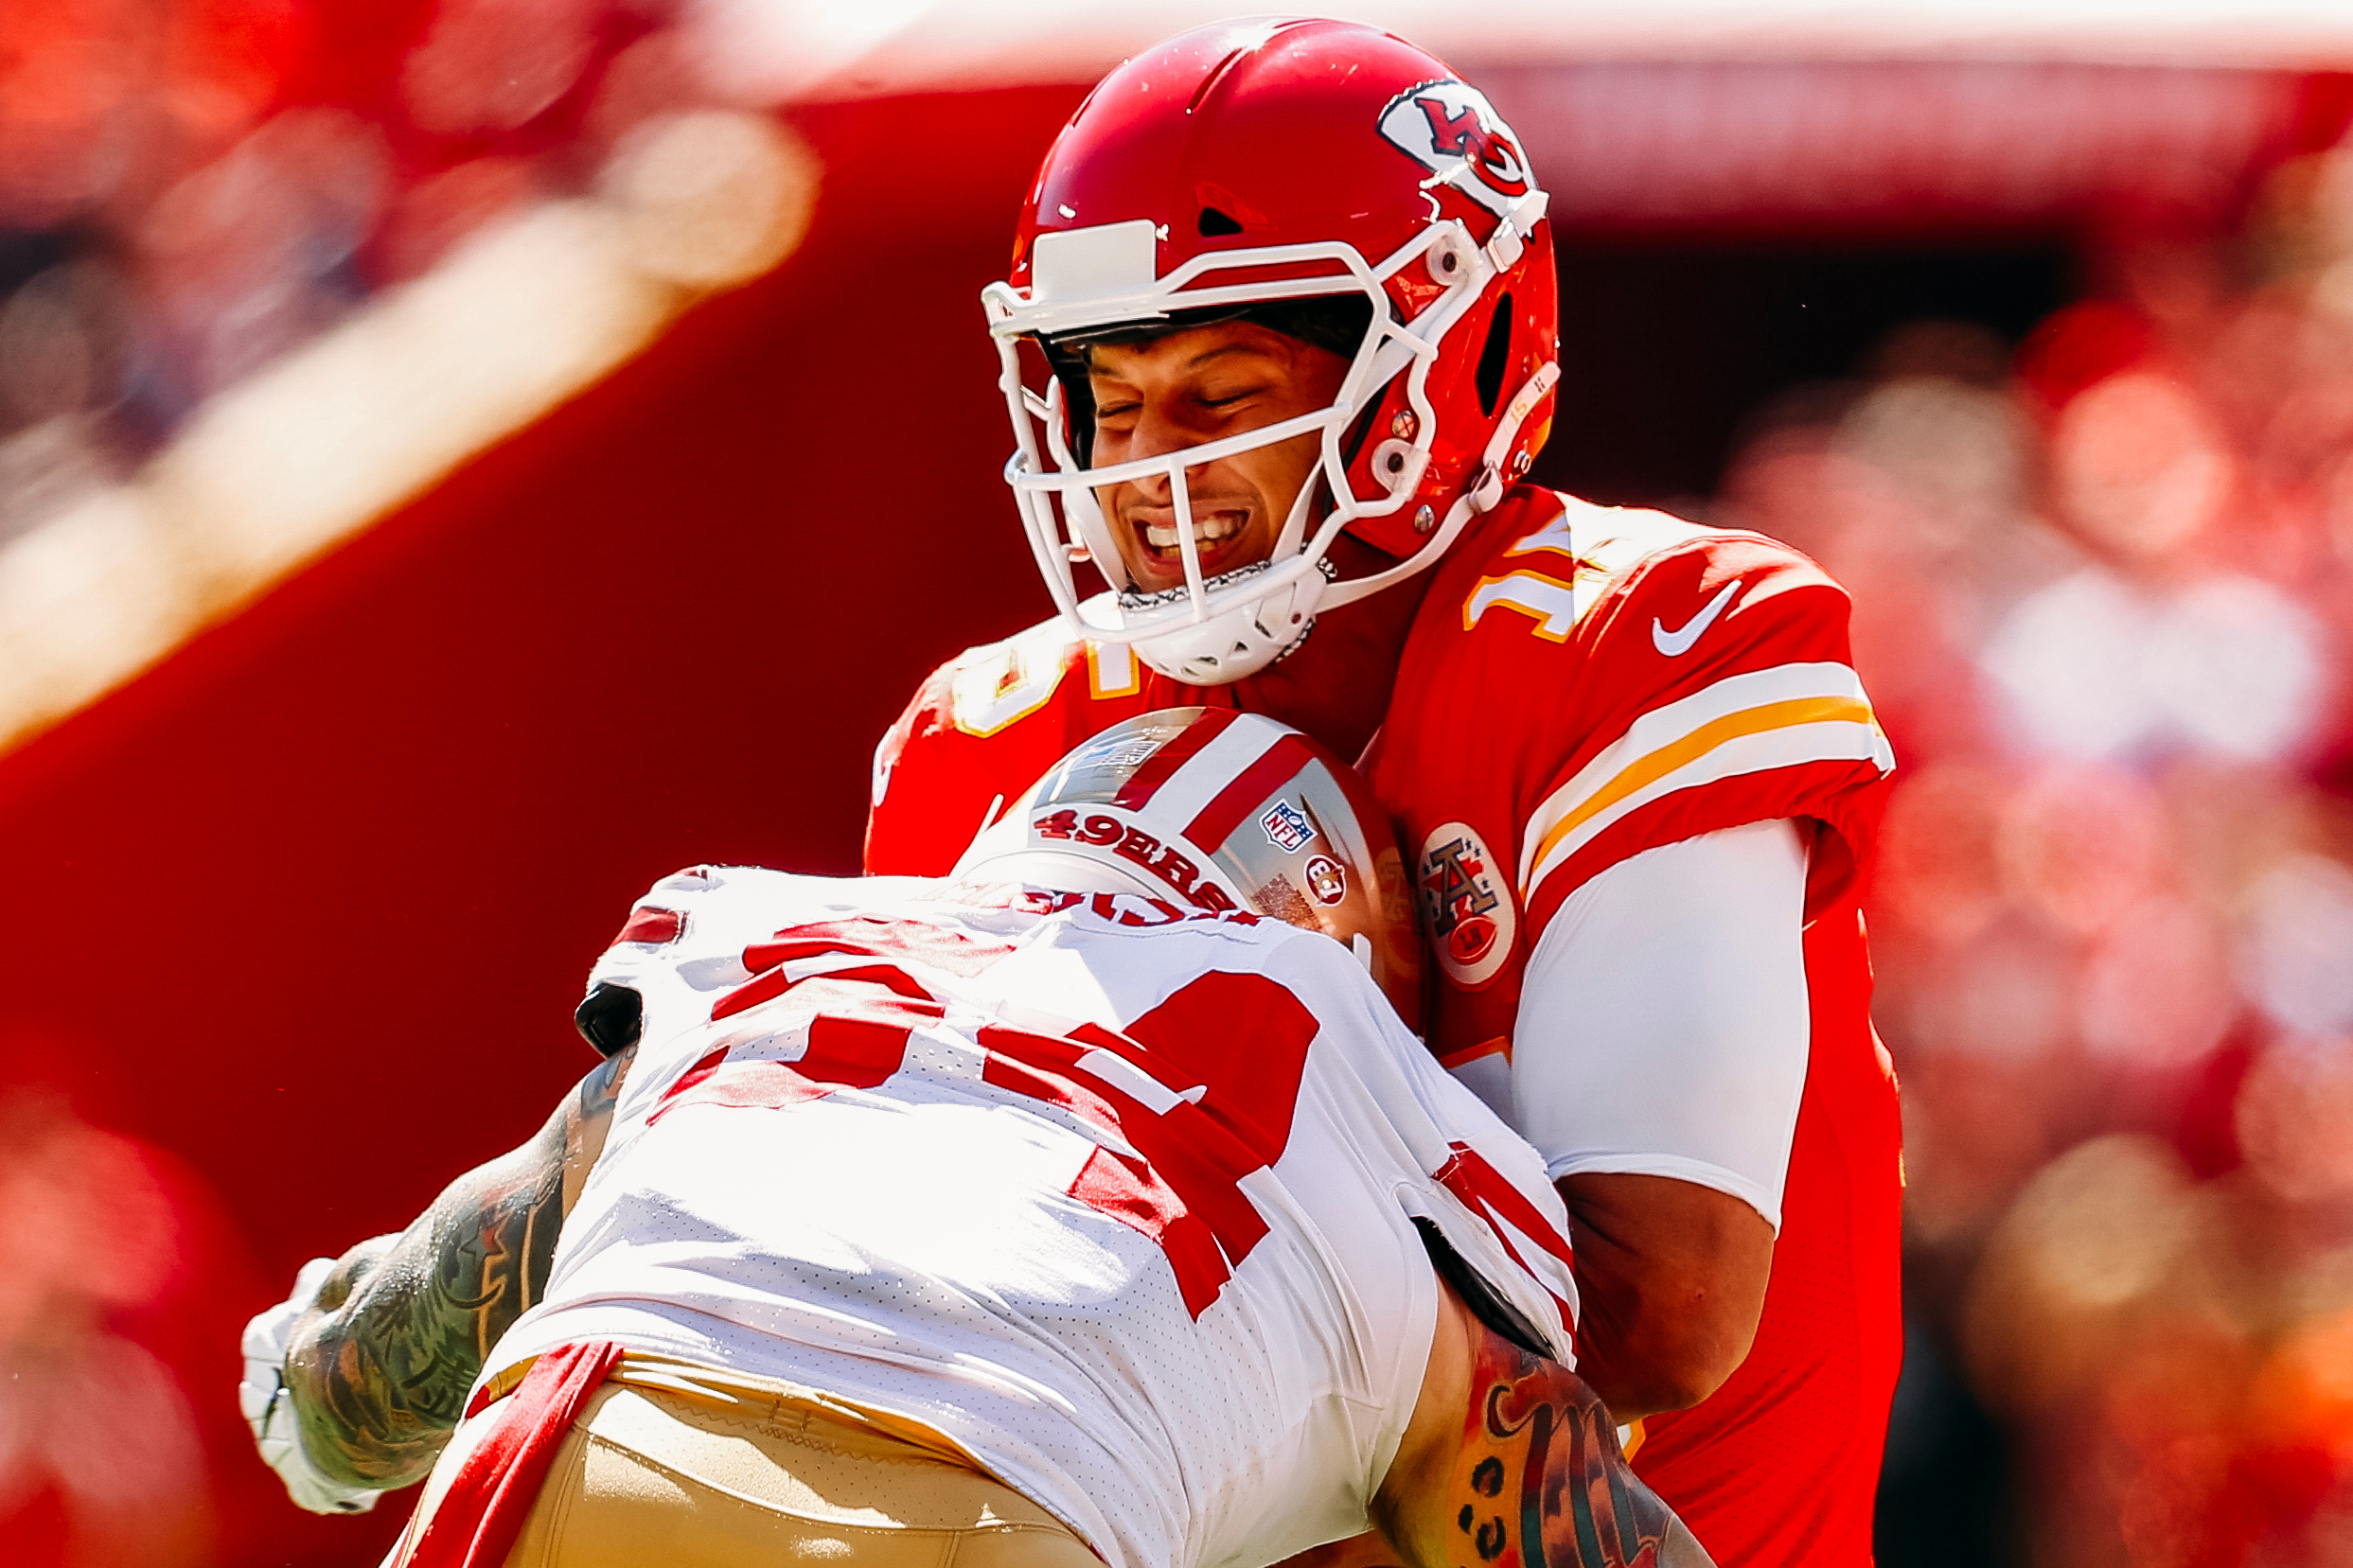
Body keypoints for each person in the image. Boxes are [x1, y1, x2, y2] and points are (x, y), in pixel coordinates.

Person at [862, 18, 1902, 1565]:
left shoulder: (1637, 643)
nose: (1147, 469)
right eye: (1112, 398)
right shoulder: (991, 740)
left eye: (1220, 393)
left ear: (1442, 362)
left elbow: (1656, 1307)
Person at [238, 710, 1709, 1568]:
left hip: (574, 1435)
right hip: (990, 1509)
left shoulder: (786, 938)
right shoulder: (1369, 1117)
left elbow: (367, 1370)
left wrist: (301, 1399)